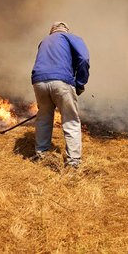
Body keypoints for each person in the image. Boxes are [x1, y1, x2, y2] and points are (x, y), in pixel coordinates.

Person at [31, 21, 90, 168]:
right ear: (65, 30)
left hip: (38, 81)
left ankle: (41, 154)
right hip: (61, 81)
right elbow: (83, 59)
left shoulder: (43, 41)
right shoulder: (71, 38)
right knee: (70, 120)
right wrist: (80, 82)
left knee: (44, 117)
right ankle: (73, 162)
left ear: (52, 31)